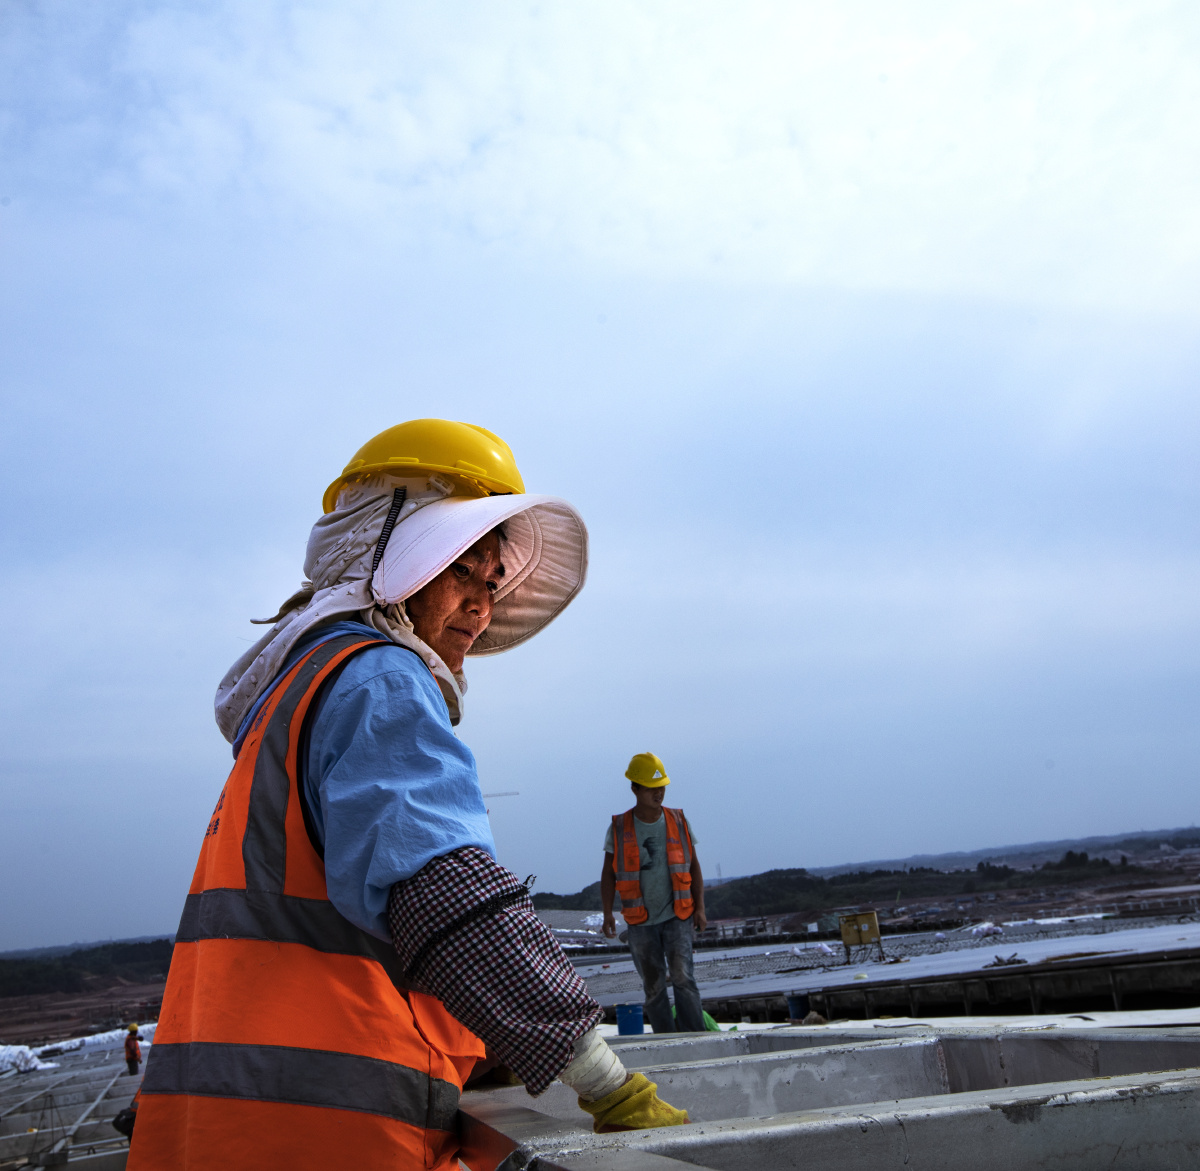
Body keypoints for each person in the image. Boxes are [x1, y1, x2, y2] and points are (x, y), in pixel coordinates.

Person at [129, 420, 687, 1171]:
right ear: (389, 555)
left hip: (227, 1126)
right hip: (330, 1133)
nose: (482, 606)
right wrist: (598, 1075)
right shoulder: (379, 681)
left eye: (493, 581)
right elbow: (444, 899)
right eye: (462, 569)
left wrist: (484, 1039)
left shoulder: (294, 690)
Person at [601, 753, 707, 1033]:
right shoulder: (620, 827)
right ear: (635, 789)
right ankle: (668, 1042)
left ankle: (697, 1040)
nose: (658, 793)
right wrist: (607, 913)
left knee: (684, 978)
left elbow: (693, 866)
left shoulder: (678, 820)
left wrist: (700, 908)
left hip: (678, 914)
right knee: (654, 987)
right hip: (640, 923)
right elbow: (608, 873)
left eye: (661, 787)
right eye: (651, 788)